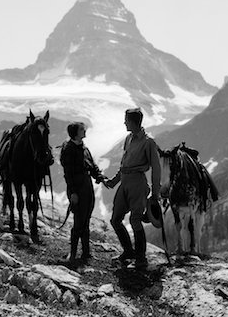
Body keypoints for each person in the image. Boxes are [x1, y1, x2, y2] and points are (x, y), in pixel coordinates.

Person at [107, 108, 161, 271]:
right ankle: (129, 252)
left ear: (133, 122)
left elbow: (156, 169)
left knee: (135, 220)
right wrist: (114, 181)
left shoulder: (148, 142)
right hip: (125, 183)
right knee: (115, 219)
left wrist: (155, 194)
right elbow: (124, 164)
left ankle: (141, 259)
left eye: (126, 120)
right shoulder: (128, 138)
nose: (124, 122)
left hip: (138, 183)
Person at [60, 122, 108, 265]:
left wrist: (99, 176)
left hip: (87, 186)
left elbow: (92, 166)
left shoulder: (83, 148)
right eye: (82, 129)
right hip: (78, 188)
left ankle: (86, 253)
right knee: (79, 221)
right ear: (75, 132)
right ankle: (73, 254)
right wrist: (73, 192)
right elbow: (68, 173)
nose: (85, 130)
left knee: (86, 219)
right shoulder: (69, 149)